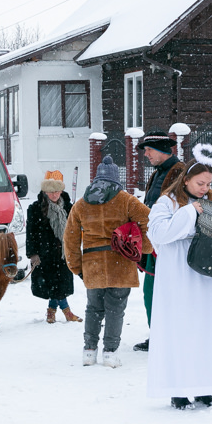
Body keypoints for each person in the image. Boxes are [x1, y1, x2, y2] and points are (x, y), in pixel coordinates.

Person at [146, 148, 212, 410]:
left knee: (207, 329)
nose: (205, 188)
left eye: (208, 184)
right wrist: (191, 213)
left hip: (208, 275)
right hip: (178, 276)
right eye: (200, 183)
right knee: (180, 330)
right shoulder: (166, 202)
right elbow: (158, 233)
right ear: (186, 180)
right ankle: (178, 389)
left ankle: (206, 387)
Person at [63, 155, 151, 368]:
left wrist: (76, 266)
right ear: (116, 179)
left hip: (92, 265)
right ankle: (110, 352)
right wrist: (143, 247)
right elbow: (149, 220)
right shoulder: (126, 200)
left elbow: (70, 238)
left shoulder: (81, 204)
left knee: (93, 308)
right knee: (115, 309)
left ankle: (89, 351)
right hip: (120, 263)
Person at [133, 132, 181, 352]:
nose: (146, 154)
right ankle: (160, 336)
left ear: (163, 149)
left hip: (168, 244)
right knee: (152, 291)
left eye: (150, 150)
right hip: (154, 242)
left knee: (163, 292)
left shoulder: (179, 172)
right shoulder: (159, 172)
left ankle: (168, 338)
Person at [27, 170, 81, 324]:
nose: (54, 195)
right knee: (53, 284)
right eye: (50, 191)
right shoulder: (36, 208)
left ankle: (52, 310)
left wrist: (75, 248)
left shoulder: (69, 208)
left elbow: (75, 230)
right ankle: (66, 312)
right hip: (45, 254)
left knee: (59, 285)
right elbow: (30, 233)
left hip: (63, 253)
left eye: (57, 191)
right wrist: (33, 254)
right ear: (45, 191)